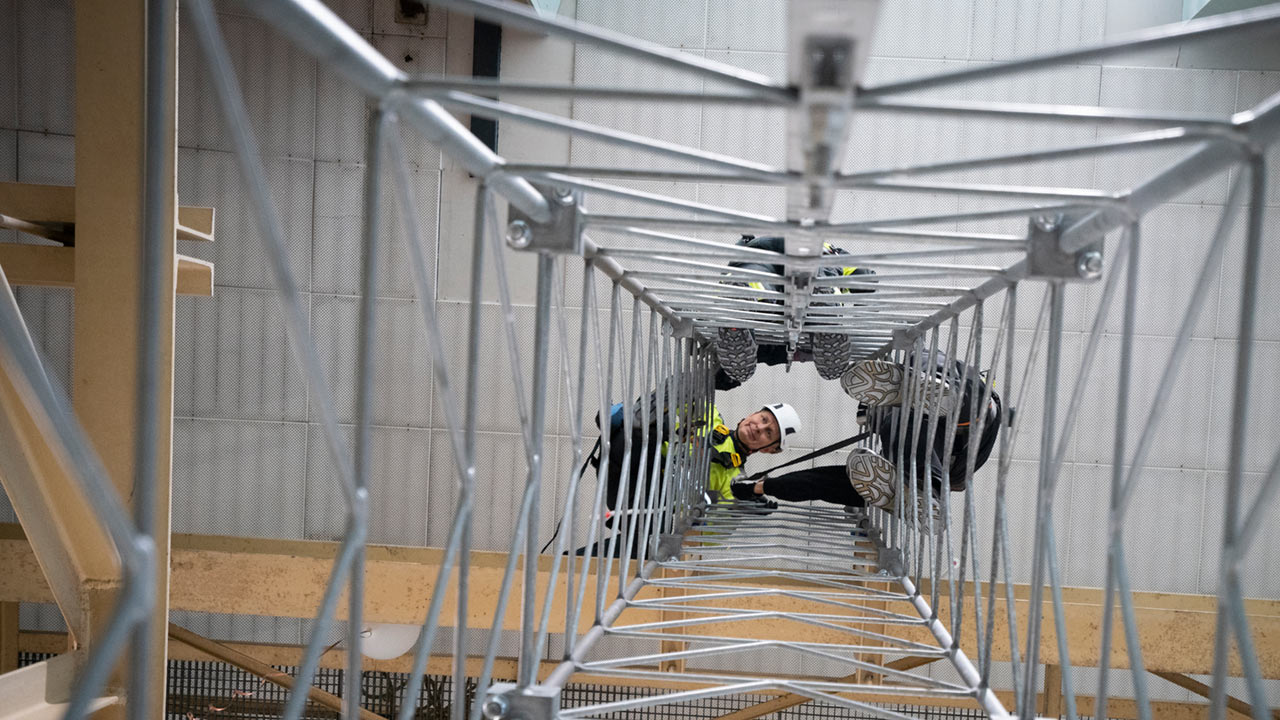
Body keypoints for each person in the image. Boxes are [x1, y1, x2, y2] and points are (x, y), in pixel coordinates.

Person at [730, 357, 1002, 523]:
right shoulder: (886, 462)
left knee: (914, 385)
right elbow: (819, 483)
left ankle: (925, 488)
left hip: (972, 425)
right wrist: (763, 486)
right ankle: (920, 491)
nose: (758, 428)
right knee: (866, 466)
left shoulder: (900, 422)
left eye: (767, 427)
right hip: (936, 457)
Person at [715, 235, 876, 390]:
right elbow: (864, 279)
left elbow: (731, 266)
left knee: (754, 278)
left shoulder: (747, 244)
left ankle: (745, 288)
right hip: (813, 253)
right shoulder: (836, 252)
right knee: (821, 275)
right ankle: (822, 300)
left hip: (758, 251)